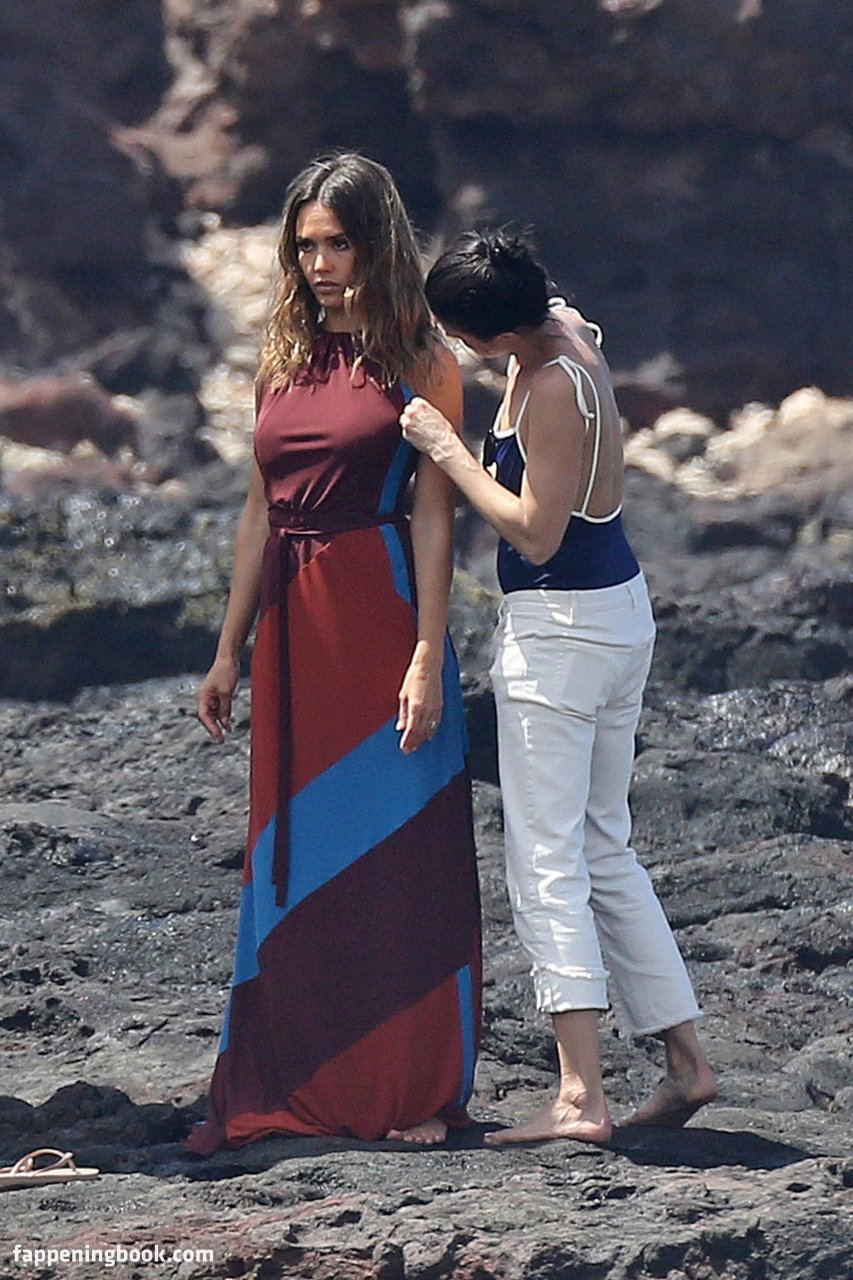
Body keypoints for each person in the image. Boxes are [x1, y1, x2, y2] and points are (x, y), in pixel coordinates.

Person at [186, 154, 481, 1153]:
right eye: (305, 245)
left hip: (377, 615)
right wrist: (228, 650)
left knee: (398, 858)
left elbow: (435, 517)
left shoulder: (422, 359)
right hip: (292, 634)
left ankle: (409, 1086)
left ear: (376, 243)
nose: (318, 263)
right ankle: (302, 1072)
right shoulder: (283, 357)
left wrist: (427, 654)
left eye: (338, 243)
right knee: (300, 856)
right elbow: (257, 512)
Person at [399, 230, 716, 1145]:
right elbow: (557, 329)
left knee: (545, 860)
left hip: (562, 631)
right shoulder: (567, 331)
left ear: (500, 336)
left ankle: (579, 1096)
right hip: (616, 615)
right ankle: (686, 1064)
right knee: (603, 847)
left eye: (464, 337)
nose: (457, 350)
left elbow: (536, 532)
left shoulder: (547, 387)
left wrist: (447, 448)